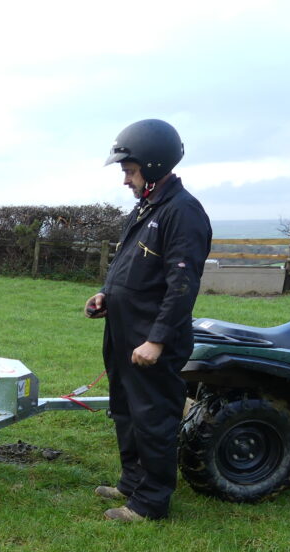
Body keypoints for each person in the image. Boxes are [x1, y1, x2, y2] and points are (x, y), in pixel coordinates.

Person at [85, 119, 212, 522]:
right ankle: (132, 480)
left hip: (151, 340)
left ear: (154, 167)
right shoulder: (148, 206)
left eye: (129, 170)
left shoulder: (183, 213)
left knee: (153, 417)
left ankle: (150, 503)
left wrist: (156, 340)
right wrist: (107, 294)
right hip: (124, 332)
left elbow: (181, 284)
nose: (125, 179)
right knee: (124, 409)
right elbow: (130, 262)